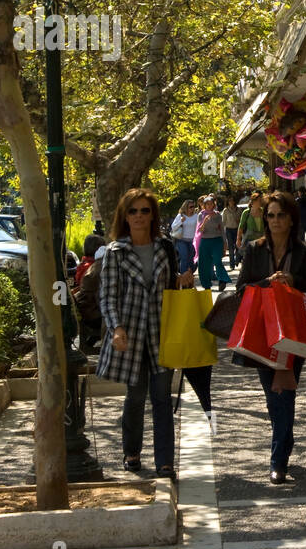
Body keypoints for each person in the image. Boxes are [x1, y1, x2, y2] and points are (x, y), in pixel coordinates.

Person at [96, 189, 194, 478]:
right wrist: (116, 327)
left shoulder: (165, 247)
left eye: (144, 211)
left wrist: (182, 281)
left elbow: (170, 288)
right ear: (124, 217)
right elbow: (108, 296)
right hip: (131, 334)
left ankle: (165, 461)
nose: (139, 216)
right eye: (133, 211)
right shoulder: (115, 252)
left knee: (162, 398)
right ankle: (132, 452)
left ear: (153, 215)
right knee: (135, 396)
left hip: (162, 332)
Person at [234, 191, 306, 484]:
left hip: (293, 331)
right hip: (262, 330)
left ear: (291, 219)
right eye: (269, 215)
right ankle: (283, 443)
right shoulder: (254, 250)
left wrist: (293, 282)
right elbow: (240, 289)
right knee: (273, 396)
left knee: (284, 390)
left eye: (280, 215)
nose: (274, 220)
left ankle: (278, 460)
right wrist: (266, 283)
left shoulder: (305, 253)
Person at [193, 194, 229, 292]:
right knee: (204, 263)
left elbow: (222, 230)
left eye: (211, 204)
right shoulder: (201, 214)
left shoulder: (218, 215)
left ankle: (222, 280)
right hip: (205, 241)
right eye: (207, 204)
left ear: (214, 205)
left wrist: (225, 243)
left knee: (217, 261)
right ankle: (206, 284)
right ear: (204, 205)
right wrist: (205, 221)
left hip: (217, 240)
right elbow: (200, 230)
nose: (209, 206)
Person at [170, 199, 199, 274]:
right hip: (182, 240)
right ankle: (183, 276)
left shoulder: (196, 216)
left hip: (193, 241)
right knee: (184, 258)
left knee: (191, 259)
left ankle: (190, 274)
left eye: (193, 206)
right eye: (190, 207)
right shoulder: (180, 216)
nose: (192, 208)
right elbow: (173, 227)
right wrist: (181, 221)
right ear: (186, 207)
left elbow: (199, 227)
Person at [237, 193, 263, 258]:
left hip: (261, 240)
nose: (261, 202)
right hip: (249, 240)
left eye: (261, 200)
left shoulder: (263, 211)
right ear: (253, 201)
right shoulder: (246, 212)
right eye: (259, 200)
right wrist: (238, 239)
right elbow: (241, 226)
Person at [222, 196, 241, 269]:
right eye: (230, 201)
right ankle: (232, 264)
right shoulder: (225, 210)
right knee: (230, 247)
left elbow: (241, 221)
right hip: (229, 230)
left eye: (232, 200)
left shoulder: (239, 209)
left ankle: (237, 260)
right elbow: (223, 222)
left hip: (237, 229)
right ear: (228, 202)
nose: (231, 202)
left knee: (237, 246)